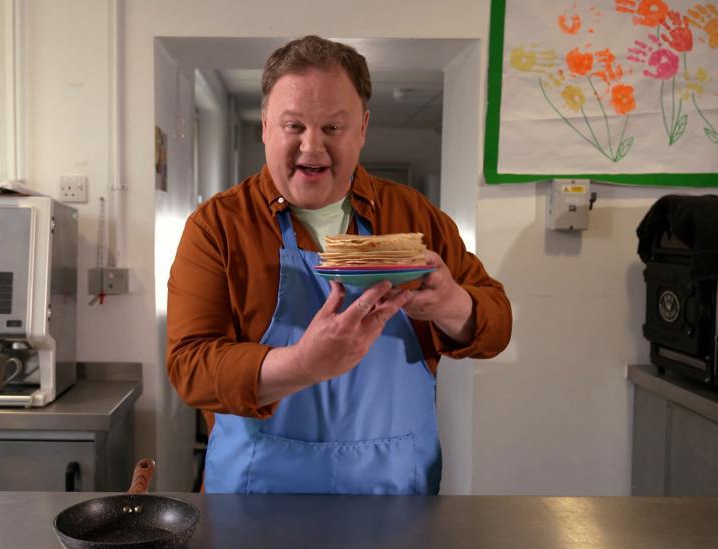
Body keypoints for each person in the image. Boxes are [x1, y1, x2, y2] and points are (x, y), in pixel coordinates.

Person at [167, 35, 512, 495]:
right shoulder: (218, 227)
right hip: (256, 500)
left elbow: (498, 328)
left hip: (395, 498)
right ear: (266, 124)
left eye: (333, 127)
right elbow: (190, 367)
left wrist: (453, 305)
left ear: (363, 128)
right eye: (294, 126)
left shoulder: (416, 218)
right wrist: (301, 364)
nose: (312, 148)